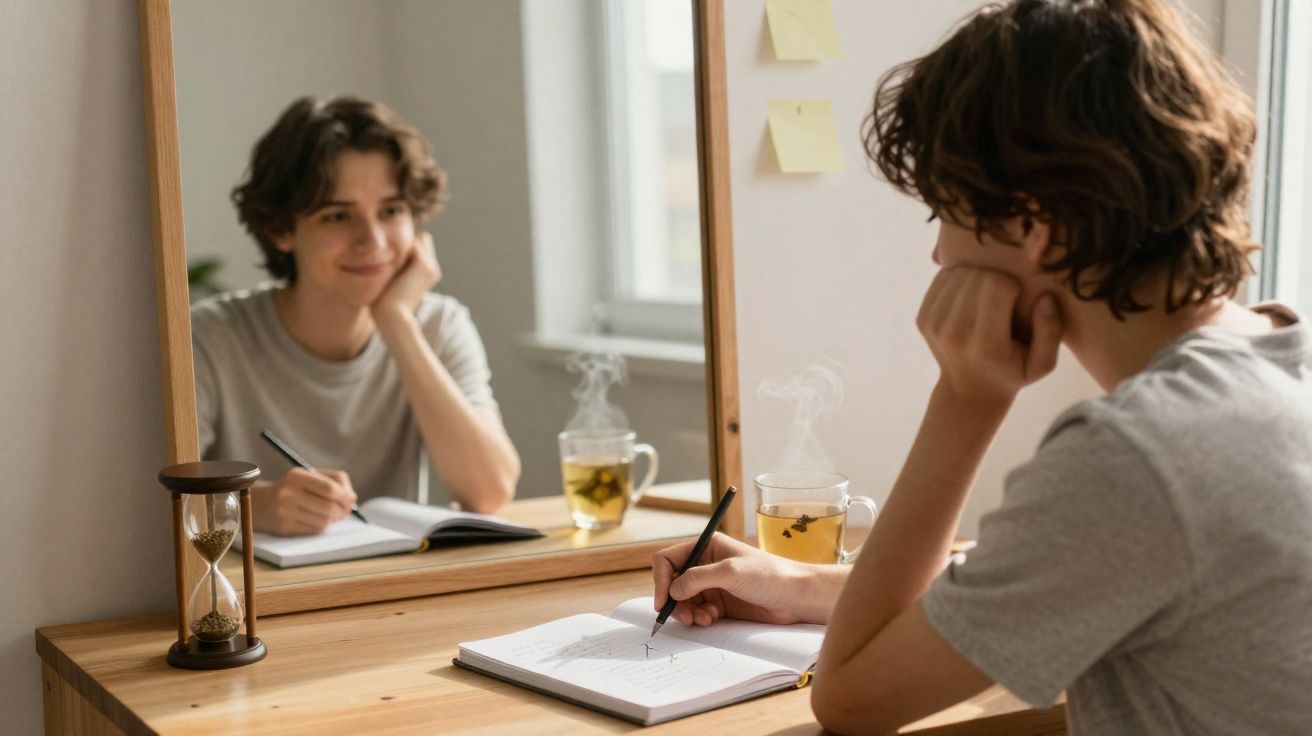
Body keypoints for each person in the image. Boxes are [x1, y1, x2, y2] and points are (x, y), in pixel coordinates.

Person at [652, 0, 1312, 733]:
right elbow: (1061, 581)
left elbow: (850, 700)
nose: (939, 256)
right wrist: (800, 585)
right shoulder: (1282, 365)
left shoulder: (1141, 456)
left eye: (945, 214)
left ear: (1033, 225)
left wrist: (965, 400)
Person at [192, 96, 520, 536]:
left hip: (396, 592)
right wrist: (259, 507)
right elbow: (157, 506)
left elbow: (489, 491)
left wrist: (397, 322)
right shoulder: (210, 339)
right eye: (338, 216)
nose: (373, 240)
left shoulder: (439, 326)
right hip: (261, 600)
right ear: (281, 230)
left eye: (391, 210)